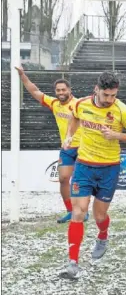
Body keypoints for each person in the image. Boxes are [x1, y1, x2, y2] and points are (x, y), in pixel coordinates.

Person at [59, 72, 126, 279]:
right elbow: (75, 117)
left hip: (109, 168)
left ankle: (103, 236)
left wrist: (117, 135)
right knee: (78, 212)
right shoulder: (81, 104)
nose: (109, 99)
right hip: (84, 166)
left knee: (100, 216)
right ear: (96, 89)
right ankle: (73, 262)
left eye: (113, 95)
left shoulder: (122, 110)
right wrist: (70, 136)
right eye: (106, 95)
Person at [15, 67, 88, 224]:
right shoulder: (54, 103)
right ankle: (70, 210)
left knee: (80, 180)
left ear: (69, 90)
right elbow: (35, 91)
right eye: (58, 90)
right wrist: (23, 76)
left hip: (84, 148)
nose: (60, 92)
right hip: (67, 149)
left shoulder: (79, 104)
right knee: (63, 179)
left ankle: (82, 210)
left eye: (63, 89)